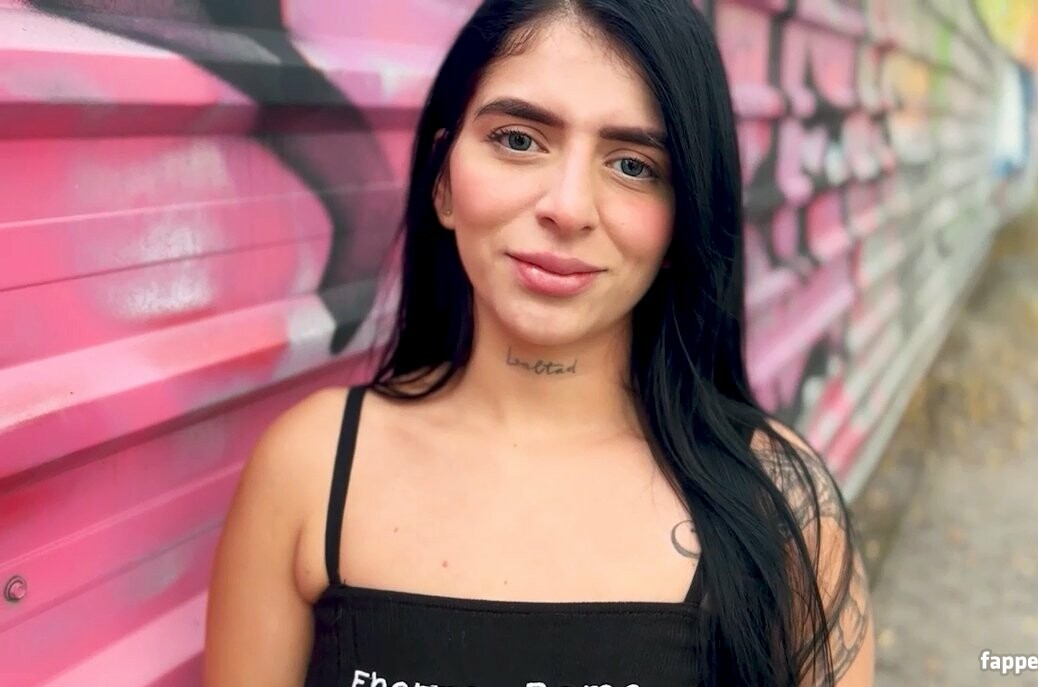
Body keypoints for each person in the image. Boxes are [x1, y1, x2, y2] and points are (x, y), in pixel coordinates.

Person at [203, 1, 875, 685]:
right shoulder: (310, 469)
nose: (568, 207)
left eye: (633, 164)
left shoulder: (783, 506)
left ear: (683, 219)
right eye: (519, 140)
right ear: (442, 179)